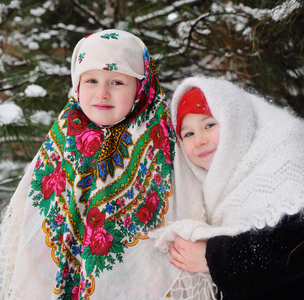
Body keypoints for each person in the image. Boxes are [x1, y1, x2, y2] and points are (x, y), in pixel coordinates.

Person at [0, 29, 182, 299]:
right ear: (77, 84)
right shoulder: (64, 135)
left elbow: (183, 208)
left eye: (117, 82)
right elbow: (35, 213)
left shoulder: (159, 138)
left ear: (141, 87)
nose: (102, 93)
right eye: (92, 81)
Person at [150, 76, 304, 299]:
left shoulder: (283, 155)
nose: (199, 140)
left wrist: (212, 258)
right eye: (188, 133)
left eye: (209, 125)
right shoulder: (215, 181)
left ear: (234, 122)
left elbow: (297, 246)